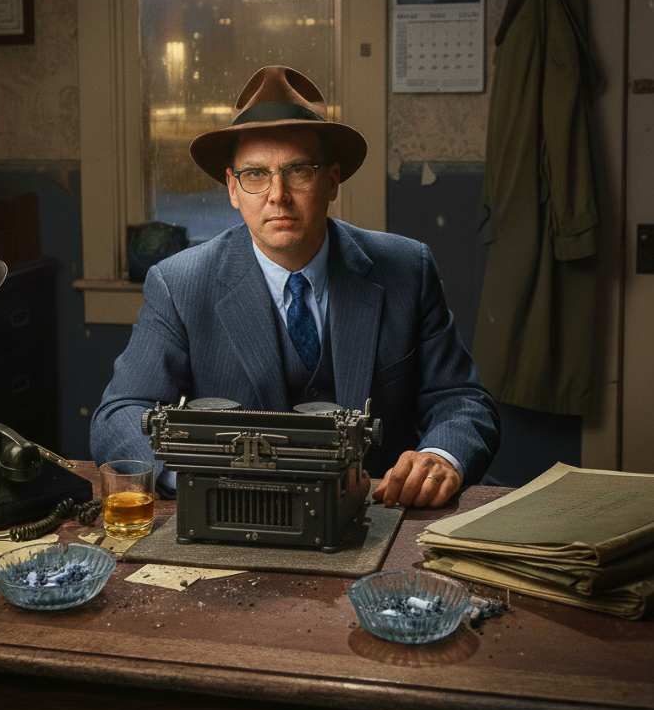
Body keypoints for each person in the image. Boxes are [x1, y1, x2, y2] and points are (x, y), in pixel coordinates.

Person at [91, 65, 499, 508]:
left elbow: (461, 399)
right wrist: (201, 476)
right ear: (232, 187)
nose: (277, 194)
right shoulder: (180, 283)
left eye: (298, 171)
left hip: (379, 514)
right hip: (235, 517)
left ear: (332, 180)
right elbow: (119, 415)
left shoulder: (406, 269)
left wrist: (441, 457)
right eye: (255, 175)